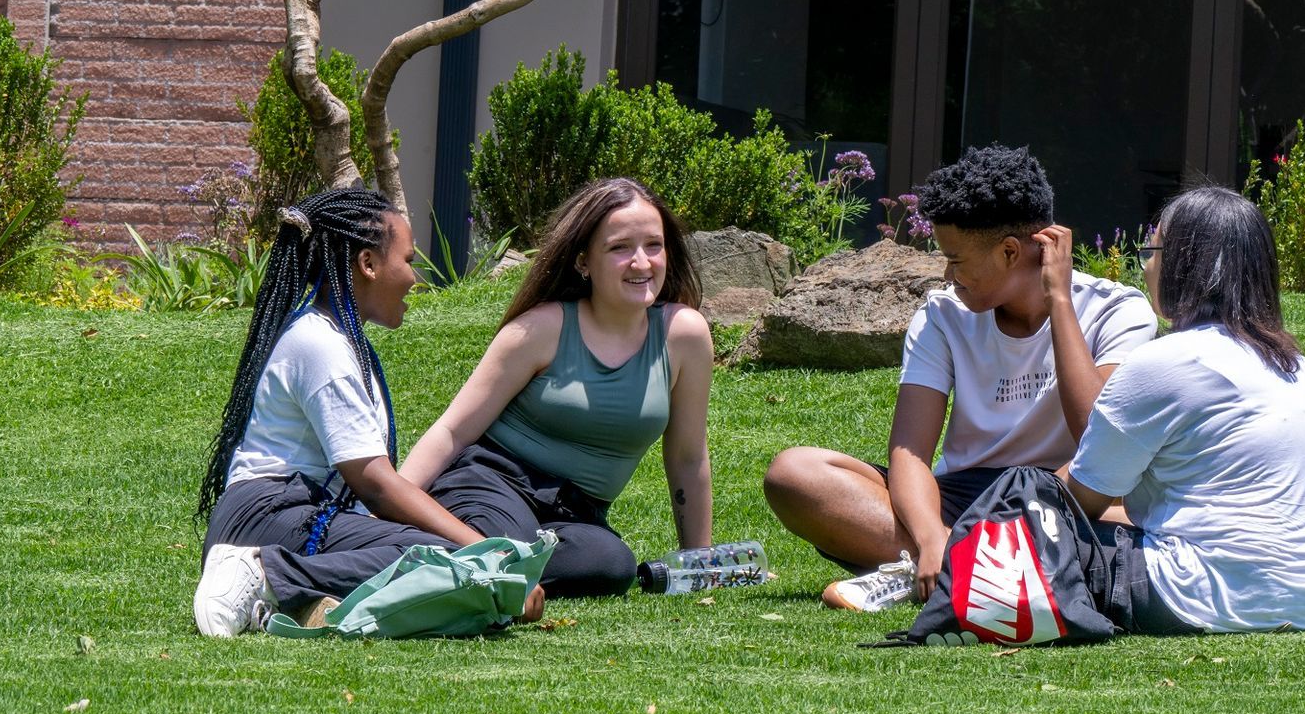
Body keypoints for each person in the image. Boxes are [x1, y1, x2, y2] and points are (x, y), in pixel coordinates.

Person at [764, 145, 1157, 609]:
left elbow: (1096, 437)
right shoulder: (942, 315)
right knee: (795, 473)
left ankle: (942, 573)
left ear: (1010, 252)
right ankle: (970, 567)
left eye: (957, 260)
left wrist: (1060, 305)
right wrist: (930, 535)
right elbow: (909, 453)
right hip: (962, 496)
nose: (948, 275)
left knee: (1131, 515)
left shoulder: (1118, 311)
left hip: (1064, 496)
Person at [193, 188, 545, 636]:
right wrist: (485, 551)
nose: (415, 278)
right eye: (409, 260)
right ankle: (263, 574)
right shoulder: (319, 344)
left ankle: (288, 603)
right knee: (443, 560)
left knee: (461, 580)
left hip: (301, 517)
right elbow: (376, 485)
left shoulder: (339, 339)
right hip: (270, 516)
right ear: (368, 264)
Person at [399, 178, 714, 596]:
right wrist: (390, 503)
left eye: (653, 245)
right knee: (500, 540)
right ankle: (432, 550)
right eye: (620, 248)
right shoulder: (541, 328)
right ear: (584, 262)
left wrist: (701, 565)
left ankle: (482, 564)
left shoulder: (683, 335)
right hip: (494, 483)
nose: (642, 262)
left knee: (611, 565)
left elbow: (688, 458)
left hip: (575, 512)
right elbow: (453, 431)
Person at [1062, 187, 1305, 634]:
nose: (1147, 267)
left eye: (1152, 249)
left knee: (1045, 528)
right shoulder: (1295, 365)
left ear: (1184, 264)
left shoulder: (1166, 361)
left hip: (1205, 594)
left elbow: (1084, 500)